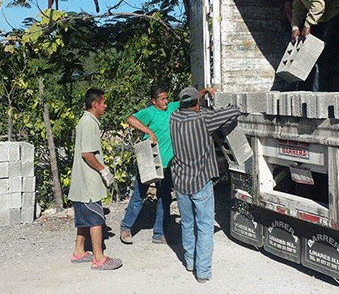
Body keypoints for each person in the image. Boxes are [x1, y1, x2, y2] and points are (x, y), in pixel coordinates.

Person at [169, 86, 240, 283]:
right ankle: (202, 272)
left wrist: (199, 95)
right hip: (200, 181)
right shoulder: (204, 119)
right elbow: (233, 111)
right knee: (205, 226)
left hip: (181, 182)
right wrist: (217, 98)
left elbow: (186, 103)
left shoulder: (174, 117)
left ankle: (190, 262)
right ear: (197, 104)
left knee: (188, 223)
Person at [120, 85, 198, 245]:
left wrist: (204, 92)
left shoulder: (171, 108)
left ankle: (159, 233)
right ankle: (126, 227)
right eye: (162, 99)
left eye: (166, 98)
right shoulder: (149, 112)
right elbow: (130, 119)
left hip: (167, 164)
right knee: (139, 195)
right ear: (154, 101)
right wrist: (149, 132)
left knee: (164, 198)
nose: (166, 101)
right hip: (150, 160)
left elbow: (188, 100)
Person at [68, 88, 122, 270]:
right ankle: (99, 258)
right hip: (89, 180)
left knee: (84, 218)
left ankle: (79, 251)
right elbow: (87, 154)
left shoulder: (84, 121)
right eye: (103, 103)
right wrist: (103, 169)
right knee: (96, 219)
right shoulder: (90, 123)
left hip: (81, 180)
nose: (105, 106)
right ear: (95, 104)